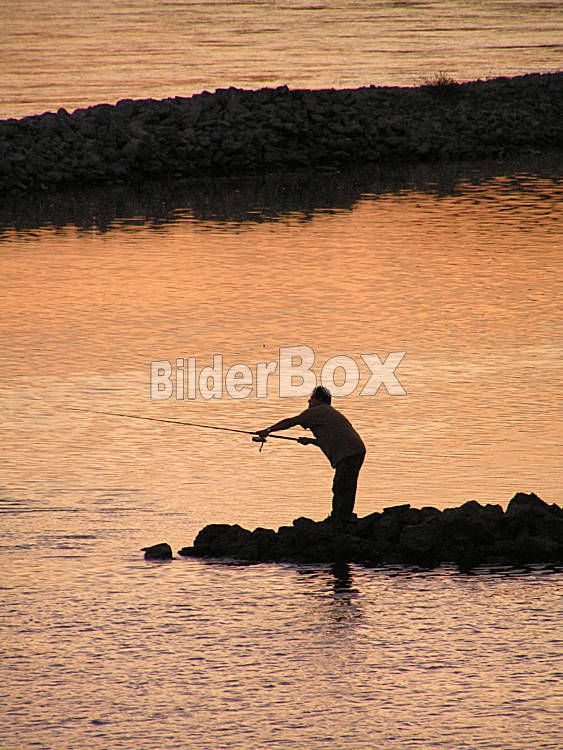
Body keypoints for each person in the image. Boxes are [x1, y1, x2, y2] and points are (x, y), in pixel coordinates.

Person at [256, 386, 366, 525]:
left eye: (311, 398)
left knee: (342, 485)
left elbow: (291, 421)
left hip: (349, 452)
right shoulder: (327, 412)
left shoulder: (317, 411)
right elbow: (331, 439)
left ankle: (340, 520)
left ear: (319, 399)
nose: (309, 401)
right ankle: (341, 518)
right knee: (344, 485)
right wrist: (311, 441)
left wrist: (268, 430)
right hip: (354, 450)